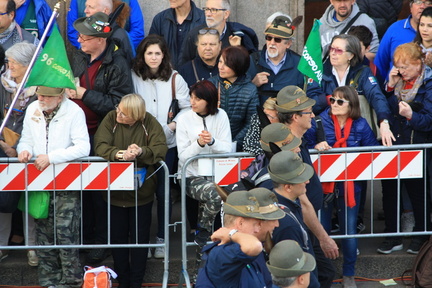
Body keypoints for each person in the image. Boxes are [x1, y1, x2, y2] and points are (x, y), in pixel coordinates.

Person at [68, 11, 133, 264]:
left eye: (86, 35)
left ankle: (99, 243)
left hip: (101, 137)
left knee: (98, 194)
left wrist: (84, 94)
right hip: (77, 135)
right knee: (80, 193)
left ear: (101, 39)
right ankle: (84, 239)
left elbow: (119, 106)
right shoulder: (80, 58)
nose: (80, 38)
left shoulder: (117, 64)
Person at [17, 86, 90, 288]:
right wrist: (23, 150)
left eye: (47, 96)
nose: (41, 99)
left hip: (66, 183)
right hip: (40, 182)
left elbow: (83, 147)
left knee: (66, 235)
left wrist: (51, 158)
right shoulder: (32, 109)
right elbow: (26, 139)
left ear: (60, 97)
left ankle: (72, 282)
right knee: (44, 235)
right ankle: (49, 282)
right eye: (40, 94)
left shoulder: (74, 111)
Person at [307, 86, 380, 288]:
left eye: (340, 102)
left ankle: (349, 274)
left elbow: (372, 151)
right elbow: (304, 145)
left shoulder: (361, 124)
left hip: (351, 188)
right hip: (323, 186)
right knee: (322, 229)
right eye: (332, 100)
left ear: (351, 105)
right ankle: (323, 273)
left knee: (349, 231)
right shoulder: (319, 121)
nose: (334, 105)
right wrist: (316, 147)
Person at [94, 93, 167, 288]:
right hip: (114, 192)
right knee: (118, 240)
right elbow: (100, 145)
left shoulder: (149, 122)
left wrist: (141, 151)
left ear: (136, 116)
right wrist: (119, 154)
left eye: (124, 114)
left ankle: (136, 282)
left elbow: (160, 147)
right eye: (119, 109)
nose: (118, 114)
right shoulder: (110, 118)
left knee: (139, 240)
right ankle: (122, 282)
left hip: (141, 194)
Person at [132, 34, 190, 258]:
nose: (154, 57)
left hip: (168, 145)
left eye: (158, 53)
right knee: (142, 193)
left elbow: (187, 108)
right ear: (143, 55)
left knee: (163, 194)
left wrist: (173, 125)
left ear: (164, 54)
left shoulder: (175, 78)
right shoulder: (134, 76)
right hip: (141, 145)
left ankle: (162, 239)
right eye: (149, 53)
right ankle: (143, 240)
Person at [275, 86, 338, 288]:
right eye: (307, 112)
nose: (312, 115)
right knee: (316, 277)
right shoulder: (289, 149)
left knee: (324, 273)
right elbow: (302, 203)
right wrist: (324, 238)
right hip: (300, 225)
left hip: (304, 225)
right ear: (294, 117)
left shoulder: (297, 143)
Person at [378, 42, 432, 255]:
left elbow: (428, 120)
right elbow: (387, 110)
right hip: (394, 143)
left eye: (406, 66)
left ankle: (421, 234)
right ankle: (392, 235)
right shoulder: (398, 81)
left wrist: (411, 116)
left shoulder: (428, 84)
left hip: (416, 143)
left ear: (419, 64)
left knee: (418, 193)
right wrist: (390, 88)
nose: (401, 70)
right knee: (389, 191)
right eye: (398, 66)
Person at [176, 80, 232, 246]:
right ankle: (203, 230)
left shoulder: (221, 115)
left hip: (217, 175)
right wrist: (199, 144)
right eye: (191, 97)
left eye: (198, 99)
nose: (192, 102)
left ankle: (200, 265)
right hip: (190, 175)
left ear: (209, 100)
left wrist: (212, 141)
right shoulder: (184, 118)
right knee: (215, 195)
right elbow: (183, 156)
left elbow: (228, 148)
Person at [195, 188, 285, 288]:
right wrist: (231, 233)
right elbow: (254, 246)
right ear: (240, 223)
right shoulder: (221, 253)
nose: (258, 228)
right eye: (256, 223)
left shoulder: (246, 247)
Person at [0, 42, 38, 267]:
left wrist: (22, 147)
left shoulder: (39, 88)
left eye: (14, 62)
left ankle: (32, 248)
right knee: (3, 200)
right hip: (3, 149)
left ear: (27, 64)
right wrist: (5, 146)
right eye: (8, 61)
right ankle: (2, 246)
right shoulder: (2, 84)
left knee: (30, 201)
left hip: (29, 151)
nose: (9, 65)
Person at [321, 34, 395, 147]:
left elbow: (377, 97)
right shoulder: (319, 72)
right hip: (328, 133)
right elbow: (312, 99)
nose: (333, 53)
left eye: (339, 50)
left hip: (358, 134)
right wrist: (333, 99)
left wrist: (384, 123)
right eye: (332, 48)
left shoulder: (363, 72)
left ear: (350, 55)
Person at [247, 14, 326, 110]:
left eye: (277, 39)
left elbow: (312, 96)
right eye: (268, 38)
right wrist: (252, 85)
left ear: (288, 44)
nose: (272, 43)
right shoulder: (252, 60)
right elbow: (238, 95)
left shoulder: (300, 64)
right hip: (259, 120)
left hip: (289, 121)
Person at [269, 150, 320, 288]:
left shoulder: (280, 207)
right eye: (301, 179)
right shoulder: (287, 224)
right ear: (288, 187)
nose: (307, 181)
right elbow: (295, 267)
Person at [208, 45, 259, 151]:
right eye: (220, 61)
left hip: (236, 146)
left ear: (238, 66)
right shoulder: (210, 84)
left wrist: (233, 143)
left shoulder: (250, 90)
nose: (220, 67)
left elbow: (250, 122)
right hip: (211, 142)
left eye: (226, 64)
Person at [180, 0, 258, 66]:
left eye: (214, 10)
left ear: (226, 14)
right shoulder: (194, 34)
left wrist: (236, 49)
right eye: (207, 9)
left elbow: (247, 66)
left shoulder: (237, 35)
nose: (208, 14)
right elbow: (184, 65)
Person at [374, 0, 432, 82]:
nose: (422, 6)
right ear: (410, 7)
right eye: (418, 2)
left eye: (427, 2)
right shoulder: (395, 29)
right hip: (396, 88)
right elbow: (380, 63)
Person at [67, 0, 136, 65]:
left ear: (105, 10)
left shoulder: (119, 36)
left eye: (91, 7)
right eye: (86, 6)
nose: (85, 11)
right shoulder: (85, 35)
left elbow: (125, 68)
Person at [149, 0, 205, 69]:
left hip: (195, 75)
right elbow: (151, 50)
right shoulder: (160, 20)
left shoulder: (204, 20)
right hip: (166, 75)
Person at [67, 0, 144, 50]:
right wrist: (86, 47)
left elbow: (137, 31)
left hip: (119, 53)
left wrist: (118, 49)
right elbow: (73, 29)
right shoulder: (77, 1)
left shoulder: (130, 1)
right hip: (87, 53)